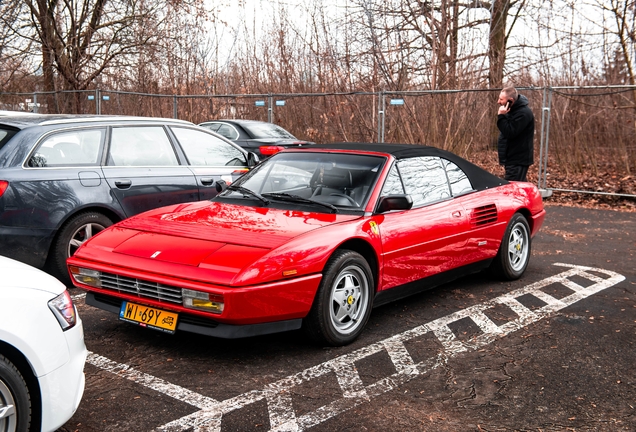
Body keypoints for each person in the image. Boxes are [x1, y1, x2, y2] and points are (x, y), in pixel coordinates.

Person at [496, 86, 535, 181]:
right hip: (512, 158)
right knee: (519, 187)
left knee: (513, 189)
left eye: (501, 99)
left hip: (517, 159)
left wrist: (501, 116)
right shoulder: (512, 110)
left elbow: (509, 132)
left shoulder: (523, 113)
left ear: (510, 100)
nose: (498, 102)